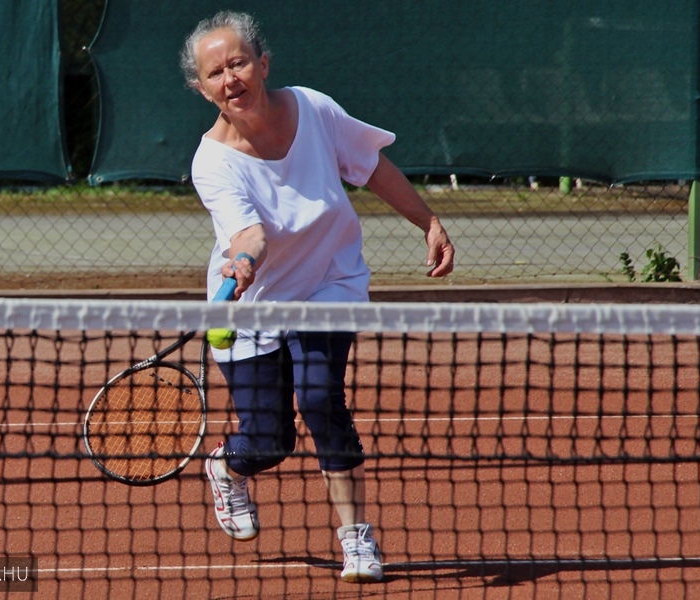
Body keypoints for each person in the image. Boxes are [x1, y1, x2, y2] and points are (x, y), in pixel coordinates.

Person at [179, 11, 454, 584]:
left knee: (322, 398)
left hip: (331, 281)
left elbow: (371, 165)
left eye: (239, 63)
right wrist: (245, 261)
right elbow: (248, 233)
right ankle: (228, 467)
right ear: (201, 89)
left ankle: (357, 538)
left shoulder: (314, 108)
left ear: (263, 64)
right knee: (268, 440)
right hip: (250, 301)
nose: (231, 78)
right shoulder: (212, 161)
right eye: (215, 72)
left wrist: (427, 221)